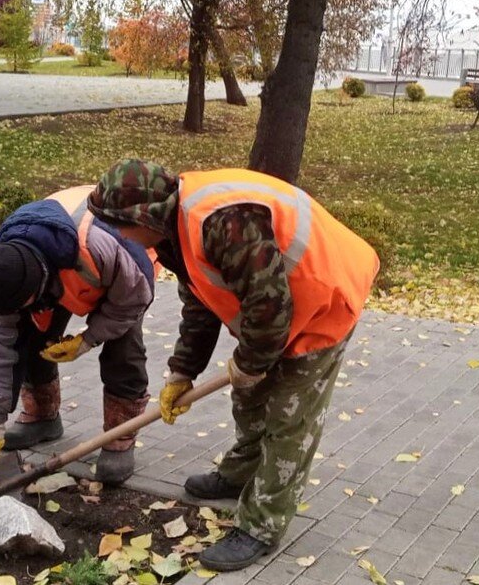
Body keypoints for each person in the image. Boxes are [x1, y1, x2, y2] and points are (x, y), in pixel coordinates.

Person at [87, 160, 379, 571]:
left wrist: (252, 361)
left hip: (324, 298)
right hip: (275, 305)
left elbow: (269, 308)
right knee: (249, 396)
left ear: (144, 216)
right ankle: (241, 473)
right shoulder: (173, 229)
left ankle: (262, 525)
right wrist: (182, 371)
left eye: (119, 225)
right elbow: (201, 302)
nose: (118, 235)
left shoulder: (226, 223)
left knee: (289, 418)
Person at [0, 185, 155, 484]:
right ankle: (43, 418)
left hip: (124, 275)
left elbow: (132, 302)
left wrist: (87, 340)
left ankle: (120, 438)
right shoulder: (3, 267)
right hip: (56, 266)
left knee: (124, 352)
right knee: (29, 338)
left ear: (32, 291)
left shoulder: (103, 247)